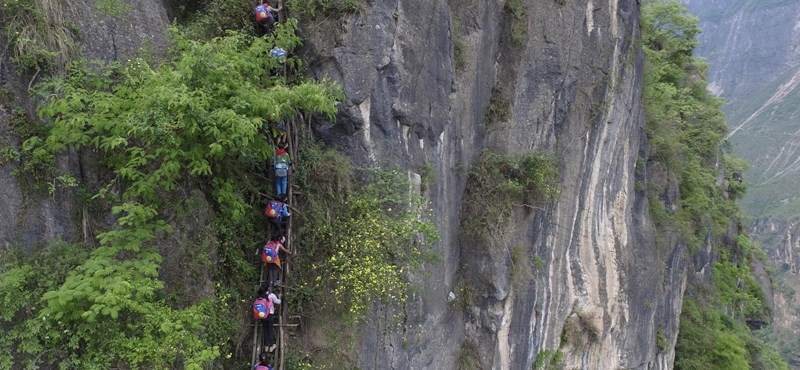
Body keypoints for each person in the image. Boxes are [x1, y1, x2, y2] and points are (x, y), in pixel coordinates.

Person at [257, 284, 282, 352]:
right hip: (269, 314)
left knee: (265, 330)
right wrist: (279, 297)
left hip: (262, 315)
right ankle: (271, 346)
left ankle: (266, 346)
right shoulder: (271, 295)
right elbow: (278, 302)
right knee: (270, 330)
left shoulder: (259, 295)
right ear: (268, 289)